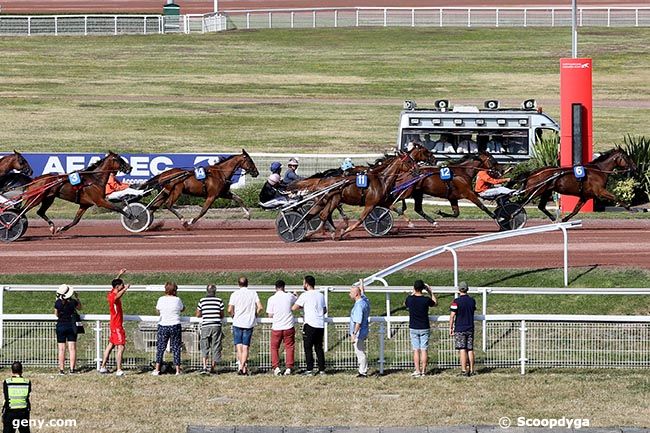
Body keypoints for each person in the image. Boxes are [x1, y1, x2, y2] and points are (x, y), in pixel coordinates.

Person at [292, 275, 327, 376]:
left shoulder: (305, 295)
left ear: (306, 284)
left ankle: (310, 369)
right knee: (319, 348)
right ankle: (322, 370)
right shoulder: (320, 295)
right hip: (320, 325)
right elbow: (325, 310)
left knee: (308, 348)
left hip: (310, 324)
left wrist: (296, 298)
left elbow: (294, 307)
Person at [228, 276, 263, 375]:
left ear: (238, 284)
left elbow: (230, 309)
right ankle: (243, 367)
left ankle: (241, 366)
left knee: (239, 347)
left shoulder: (235, 294)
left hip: (237, 322)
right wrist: (255, 314)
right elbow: (260, 307)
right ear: (247, 283)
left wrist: (233, 315)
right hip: (249, 322)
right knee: (246, 347)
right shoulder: (253, 293)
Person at [99, 269, 129, 376]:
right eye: (122, 285)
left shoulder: (111, 292)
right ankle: (119, 369)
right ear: (118, 287)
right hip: (117, 326)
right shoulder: (114, 297)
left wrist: (119, 274)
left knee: (110, 345)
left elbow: (114, 283)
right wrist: (125, 289)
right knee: (120, 347)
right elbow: (117, 296)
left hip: (113, 324)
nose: (123, 285)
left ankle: (103, 367)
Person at [404, 280, 437, 377]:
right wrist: (430, 291)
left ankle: (417, 370)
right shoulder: (426, 300)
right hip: (424, 327)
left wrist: (413, 292)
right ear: (423, 289)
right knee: (424, 350)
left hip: (414, 327)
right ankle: (423, 371)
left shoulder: (410, 299)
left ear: (414, 288)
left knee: (416, 350)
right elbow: (435, 302)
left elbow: (405, 303)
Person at [152, 282, 185, 376]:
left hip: (163, 325)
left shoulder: (161, 299)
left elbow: (157, 310)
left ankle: (157, 369)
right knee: (176, 348)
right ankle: (178, 370)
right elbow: (182, 308)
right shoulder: (177, 299)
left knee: (160, 348)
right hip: (175, 325)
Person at [266, 279, 297, 376]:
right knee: (289, 347)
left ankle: (276, 367)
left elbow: (270, 315)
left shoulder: (271, 299)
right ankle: (288, 367)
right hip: (288, 326)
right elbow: (297, 301)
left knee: (274, 347)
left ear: (275, 288)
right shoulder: (289, 296)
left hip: (277, 327)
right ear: (284, 287)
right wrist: (295, 294)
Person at [196, 284, 225, 374]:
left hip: (206, 325)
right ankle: (212, 367)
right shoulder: (219, 301)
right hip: (216, 325)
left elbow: (198, 314)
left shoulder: (202, 301)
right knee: (216, 346)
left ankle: (205, 366)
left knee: (205, 345)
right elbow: (222, 315)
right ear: (215, 291)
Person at [449, 281, 477, 377]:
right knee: (470, 349)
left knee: (462, 349)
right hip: (470, 327)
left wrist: (451, 327)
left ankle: (464, 370)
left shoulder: (456, 302)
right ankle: (472, 370)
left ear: (459, 290)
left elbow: (452, 316)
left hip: (460, 328)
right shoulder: (472, 300)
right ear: (467, 289)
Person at [54, 284, 81, 375]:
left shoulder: (58, 302)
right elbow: (80, 308)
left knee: (61, 349)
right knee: (72, 349)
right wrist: (77, 298)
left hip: (61, 326)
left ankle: (61, 369)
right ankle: (72, 369)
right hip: (71, 326)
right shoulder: (73, 302)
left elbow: (56, 314)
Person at [349, 280, 370, 378]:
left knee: (360, 352)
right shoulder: (364, 301)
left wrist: (353, 334)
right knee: (360, 351)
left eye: (351, 292)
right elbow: (363, 293)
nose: (349, 294)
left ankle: (363, 371)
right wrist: (362, 284)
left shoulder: (358, 306)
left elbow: (358, 322)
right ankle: (362, 370)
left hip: (359, 333)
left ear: (356, 294)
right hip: (364, 330)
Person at [2, 361, 31, 433]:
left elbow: (6, 397)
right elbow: (28, 395)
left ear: (12, 371)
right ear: (22, 371)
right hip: (23, 412)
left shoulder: (7, 382)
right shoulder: (27, 382)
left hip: (10, 412)